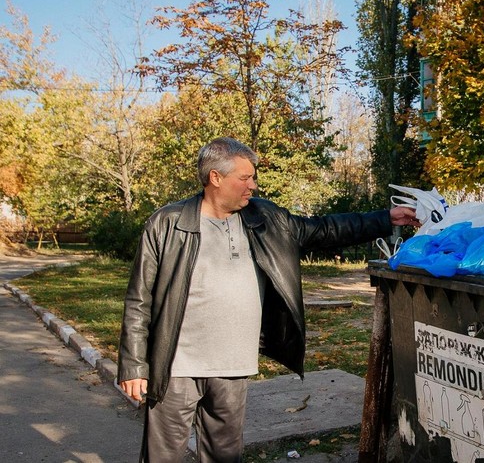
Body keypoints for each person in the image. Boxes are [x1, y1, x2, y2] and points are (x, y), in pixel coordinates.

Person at [117, 137, 419, 462]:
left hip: (232, 365)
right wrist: (134, 364)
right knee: (163, 457)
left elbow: (324, 229)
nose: (253, 186)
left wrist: (387, 218)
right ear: (215, 178)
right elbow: (139, 299)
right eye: (245, 178)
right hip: (176, 366)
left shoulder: (266, 220)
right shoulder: (167, 223)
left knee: (224, 456)